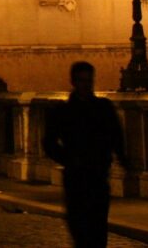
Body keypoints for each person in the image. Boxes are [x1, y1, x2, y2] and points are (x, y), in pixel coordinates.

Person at [43, 61, 127, 248]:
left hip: (97, 175)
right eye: (82, 81)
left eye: (89, 81)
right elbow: (49, 143)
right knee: (80, 229)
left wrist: (121, 158)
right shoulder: (63, 111)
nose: (86, 85)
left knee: (98, 229)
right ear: (74, 82)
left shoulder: (103, 107)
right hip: (76, 176)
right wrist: (69, 159)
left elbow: (116, 136)